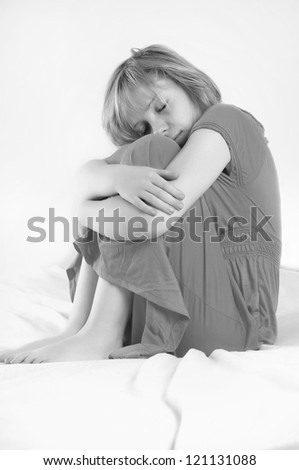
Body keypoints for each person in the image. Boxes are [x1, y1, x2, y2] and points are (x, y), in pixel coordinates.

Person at [1, 44, 282, 364]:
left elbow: (151, 221)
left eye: (161, 106)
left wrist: (83, 211)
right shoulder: (167, 150)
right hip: (170, 317)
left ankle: (98, 335)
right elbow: (87, 175)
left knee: (146, 157)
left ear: (186, 82)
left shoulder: (228, 119)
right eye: (143, 125)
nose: (158, 125)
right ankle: (77, 329)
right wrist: (116, 178)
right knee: (129, 170)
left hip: (238, 322)